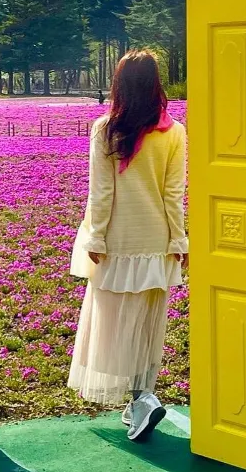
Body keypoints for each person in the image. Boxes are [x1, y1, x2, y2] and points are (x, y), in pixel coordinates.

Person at [68, 50, 187, 442]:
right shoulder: (174, 131)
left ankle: (141, 399)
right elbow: (174, 193)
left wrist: (97, 237)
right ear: (156, 84)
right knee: (149, 322)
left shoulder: (106, 129)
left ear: (119, 84)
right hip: (156, 240)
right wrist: (179, 239)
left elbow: (101, 192)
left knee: (117, 323)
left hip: (119, 239)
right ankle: (141, 396)